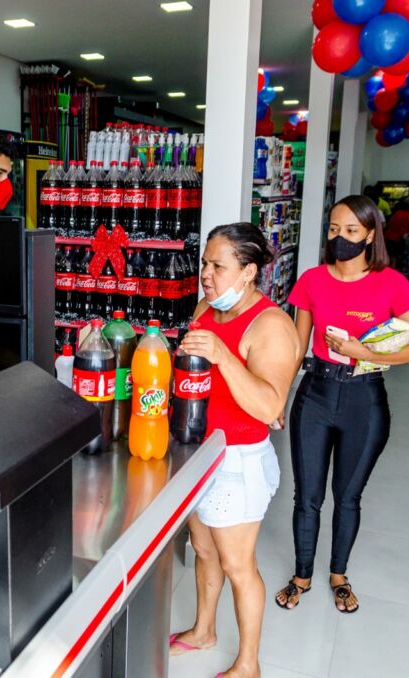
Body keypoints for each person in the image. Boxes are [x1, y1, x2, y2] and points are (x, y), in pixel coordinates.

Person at [274, 195, 409, 615]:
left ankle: (338, 575)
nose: (339, 238)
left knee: (348, 497)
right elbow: (296, 346)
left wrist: (366, 352)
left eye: (351, 231)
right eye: (333, 229)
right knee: (306, 497)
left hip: (365, 399)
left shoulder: (391, 282)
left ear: (371, 235)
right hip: (316, 395)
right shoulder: (310, 280)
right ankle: (302, 574)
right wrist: (279, 397)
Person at [168, 223, 300, 678]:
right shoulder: (206, 306)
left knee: (239, 564)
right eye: (205, 263)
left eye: (218, 266)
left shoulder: (273, 326)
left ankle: (248, 665)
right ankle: (204, 630)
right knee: (203, 550)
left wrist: (225, 356)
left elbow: (269, 406)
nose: (206, 274)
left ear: (249, 272)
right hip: (199, 454)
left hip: (239, 460)